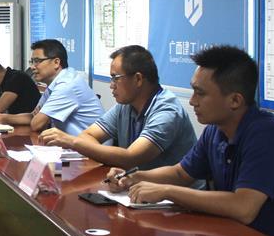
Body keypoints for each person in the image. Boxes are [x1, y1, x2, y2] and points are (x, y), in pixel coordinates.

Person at [106, 46, 274, 236]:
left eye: (200, 93)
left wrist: (167, 191)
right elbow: (180, 173)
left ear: (235, 100)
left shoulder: (268, 135)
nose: (192, 101)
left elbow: (244, 208)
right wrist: (132, 177)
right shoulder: (215, 131)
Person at [41, 45, 196, 170]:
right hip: (136, 185)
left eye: (115, 78)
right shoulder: (125, 106)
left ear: (138, 79)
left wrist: (71, 141)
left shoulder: (167, 111)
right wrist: (110, 155)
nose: (111, 85)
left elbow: (131, 158)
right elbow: (87, 135)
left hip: (175, 195)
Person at [0, 39, 103, 134]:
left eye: (37, 61)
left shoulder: (67, 85)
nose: (32, 67)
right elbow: (33, 116)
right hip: (73, 144)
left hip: (92, 149)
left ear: (56, 62)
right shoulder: (55, 83)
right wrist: (2, 118)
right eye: (32, 61)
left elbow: (36, 124)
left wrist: (40, 116)